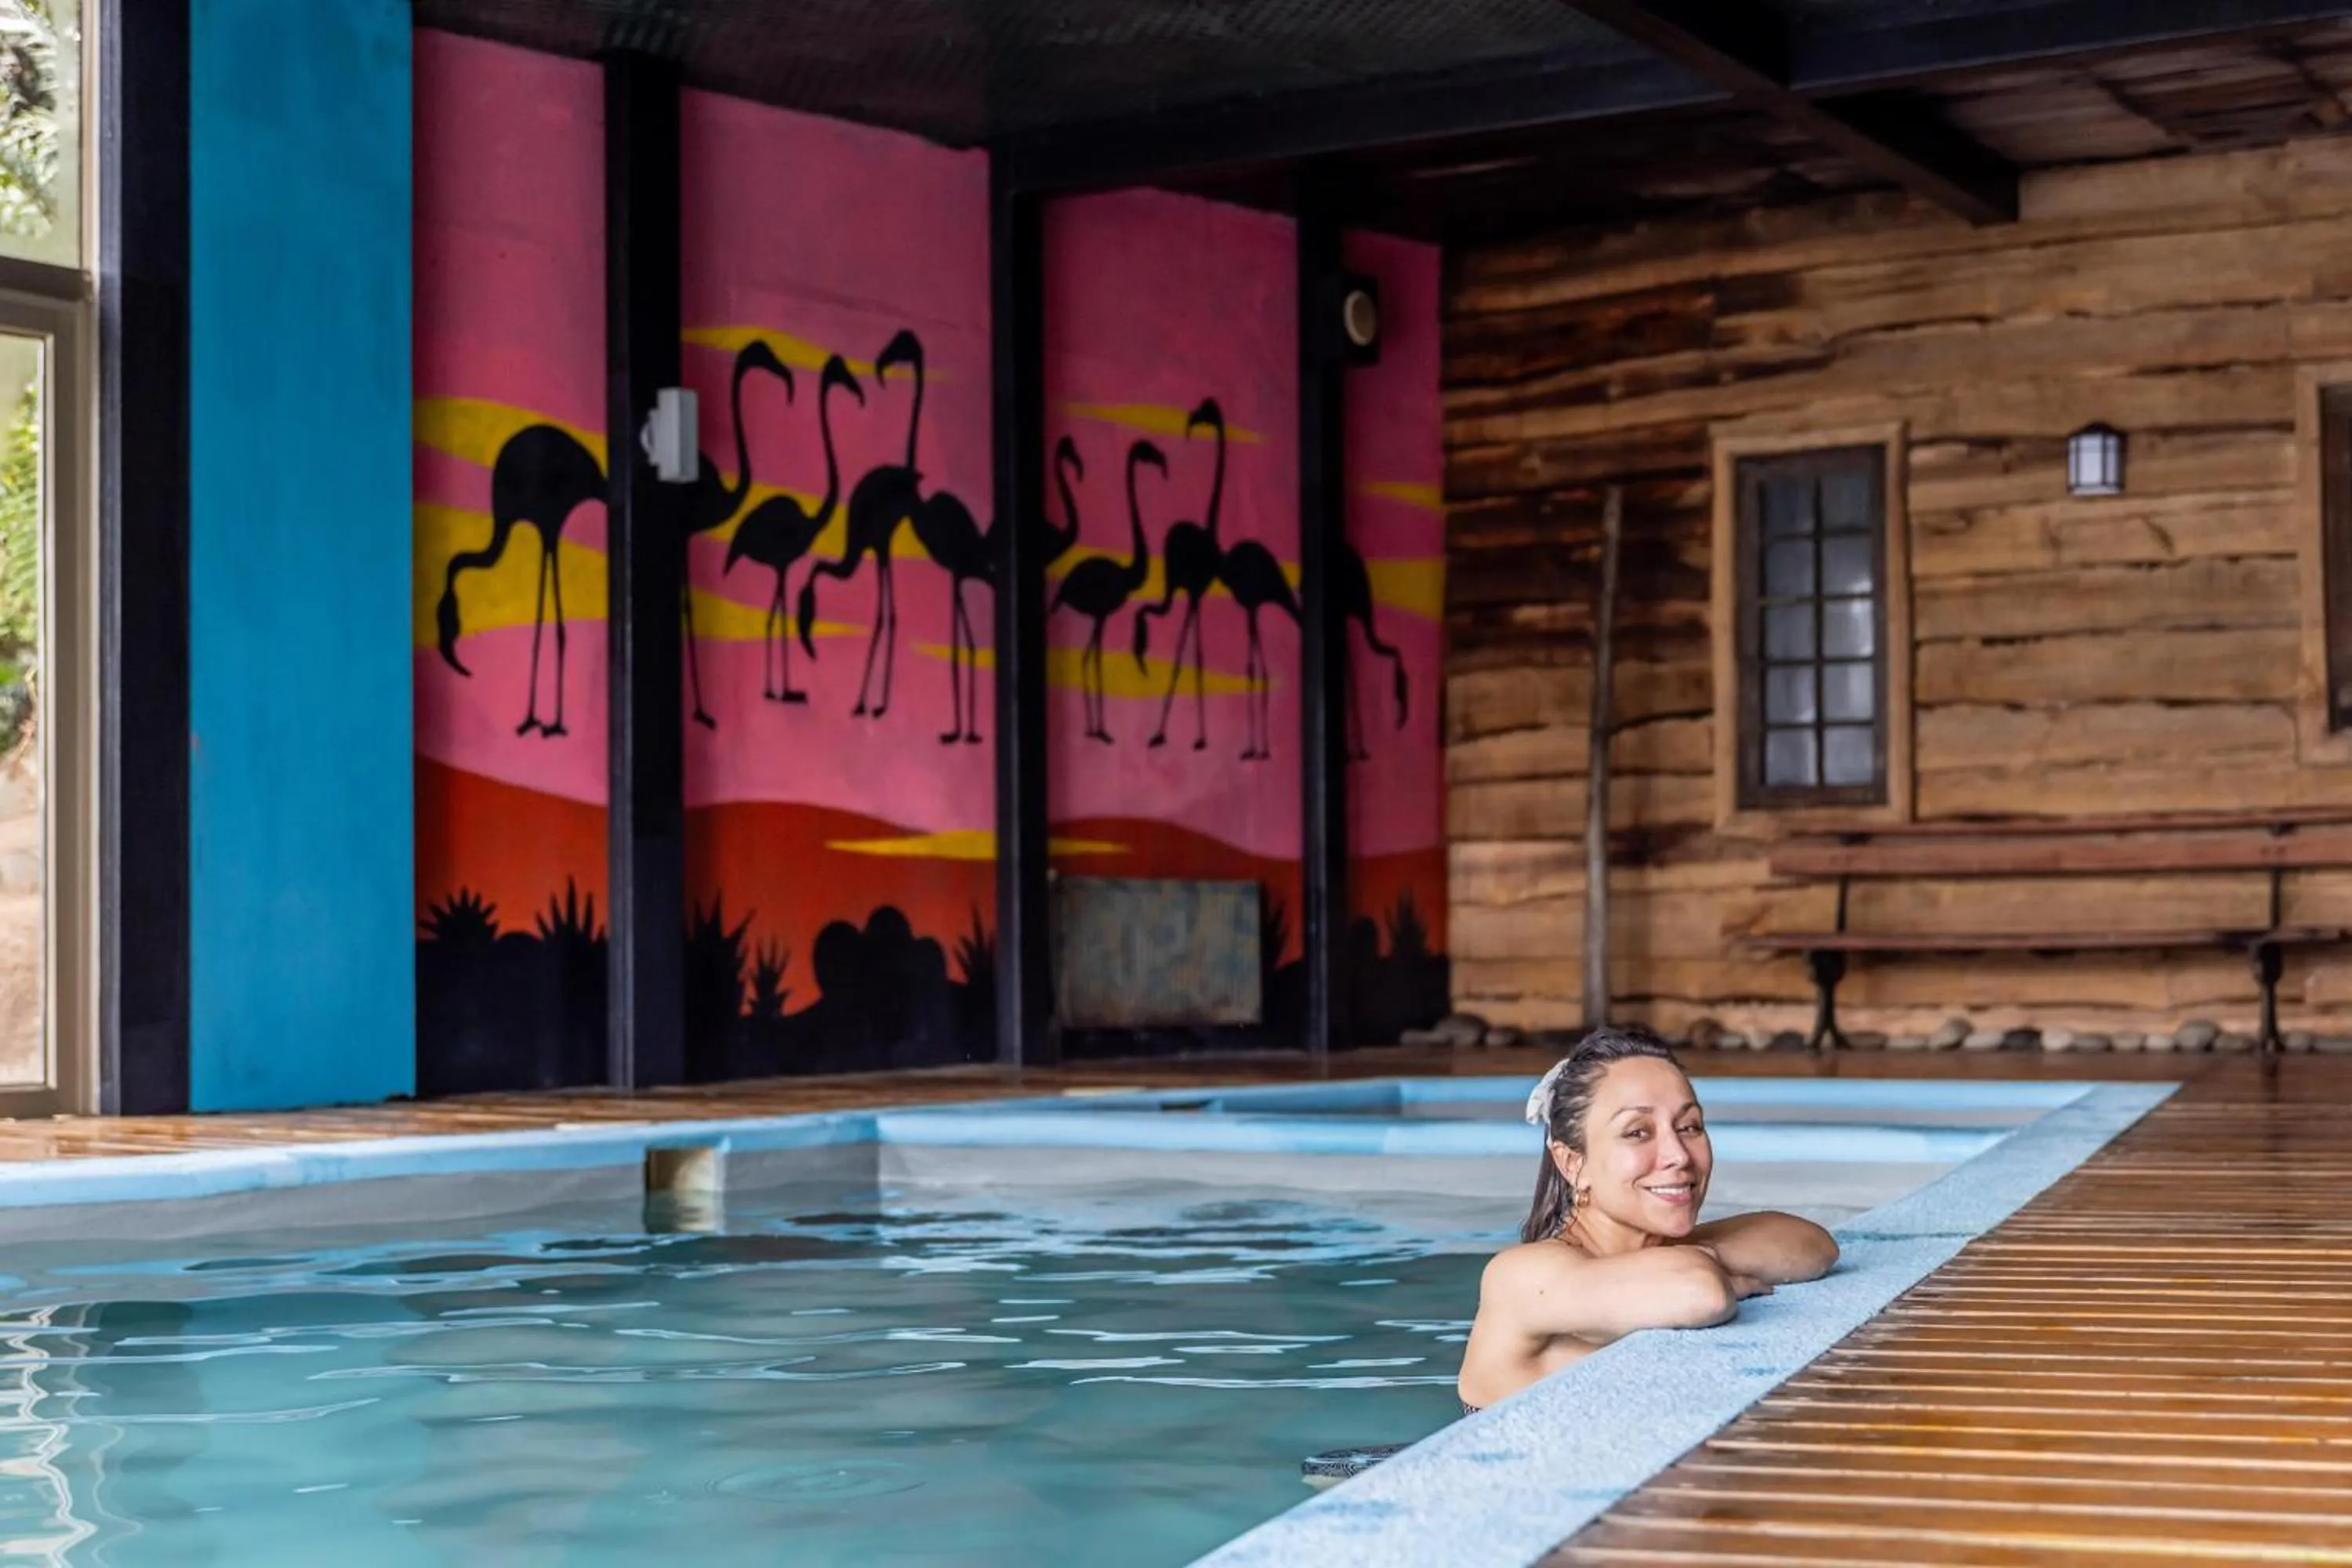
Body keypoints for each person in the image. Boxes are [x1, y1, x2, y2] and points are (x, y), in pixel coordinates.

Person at [1455, 1027, 1838, 1414]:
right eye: (1638, 1132)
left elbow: (1814, 1246)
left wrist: (1700, 1255)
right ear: (1573, 1163)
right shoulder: (1521, 1275)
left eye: (1689, 1127)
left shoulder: (1674, 1254)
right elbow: (1700, 1294)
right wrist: (1703, 1265)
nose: (1679, 1155)